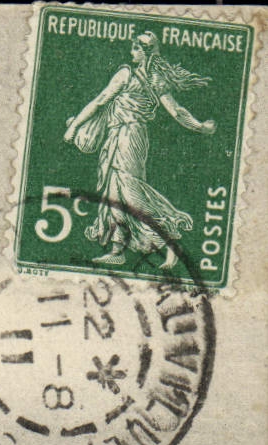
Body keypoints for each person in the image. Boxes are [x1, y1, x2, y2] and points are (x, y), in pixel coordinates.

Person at [63, 31, 217, 269]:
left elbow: (101, 100)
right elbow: (177, 112)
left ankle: (168, 242)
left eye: (135, 48)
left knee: (131, 193)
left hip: (128, 137)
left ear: (146, 53)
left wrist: (74, 126)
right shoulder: (155, 79)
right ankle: (118, 250)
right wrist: (200, 127)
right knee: (114, 195)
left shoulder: (129, 75)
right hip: (122, 137)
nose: (131, 52)